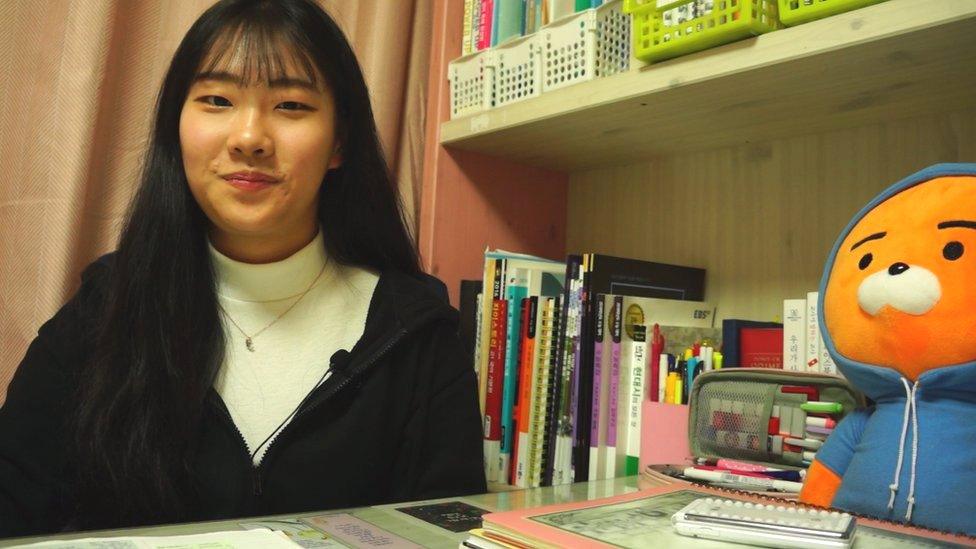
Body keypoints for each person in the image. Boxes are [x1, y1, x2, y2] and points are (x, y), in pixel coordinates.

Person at [0, 0, 484, 536]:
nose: (249, 137)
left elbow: (449, 533)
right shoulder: (102, 313)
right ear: (175, 127)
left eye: (291, 106)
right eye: (217, 99)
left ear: (339, 141)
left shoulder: (416, 332)